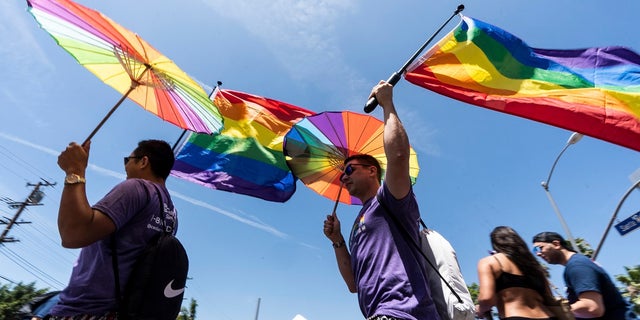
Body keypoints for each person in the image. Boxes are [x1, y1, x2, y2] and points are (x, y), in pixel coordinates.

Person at [322, 81, 440, 320]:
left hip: (403, 312)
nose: (344, 177)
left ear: (372, 171)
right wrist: (337, 240)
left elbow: (397, 156)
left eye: (350, 169)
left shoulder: (390, 198)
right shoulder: (359, 221)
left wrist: (387, 104)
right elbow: (353, 284)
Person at [47, 139, 178, 319]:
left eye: (128, 159)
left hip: (85, 311)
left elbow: (73, 233)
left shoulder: (136, 188)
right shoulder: (171, 214)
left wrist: (75, 170)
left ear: (143, 162)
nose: (125, 166)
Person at [532, 231, 631, 319]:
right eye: (534, 251)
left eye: (540, 248)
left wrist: (556, 311)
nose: (538, 254)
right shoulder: (575, 264)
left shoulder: (577, 266)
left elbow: (592, 308)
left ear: (556, 244)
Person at [476, 226, 556, 319]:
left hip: (516, 316)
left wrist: (480, 310)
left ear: (495, 244)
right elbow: (549, 297)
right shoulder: (534, 266)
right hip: (548, 316)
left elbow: (487, 299)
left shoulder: (490, 262)